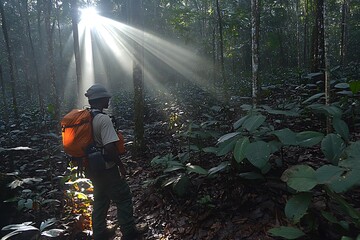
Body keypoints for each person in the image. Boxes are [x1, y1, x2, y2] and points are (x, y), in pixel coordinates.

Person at [84, 84, 140, 240]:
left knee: (101, 199)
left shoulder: (87, 117)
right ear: (100, 99)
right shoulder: (103, 119)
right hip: (107, 168)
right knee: (123, 197)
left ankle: (100, 233)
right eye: (106, 97)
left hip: (92, 168)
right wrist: (121, 166)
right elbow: (109, 147)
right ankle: (129, 233)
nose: (108, 99)